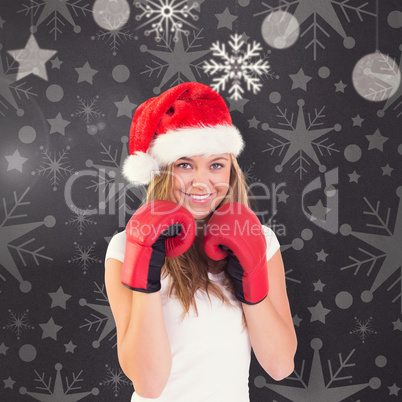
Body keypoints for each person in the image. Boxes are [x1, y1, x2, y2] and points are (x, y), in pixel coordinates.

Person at [104, 82, 297, 401]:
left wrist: (252, 282)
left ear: (230, 171)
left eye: (216, 165)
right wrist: (145, 271)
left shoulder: (260, 239)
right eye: (184, 164)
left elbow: (279, 365)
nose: (201, 181)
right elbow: (149, 385)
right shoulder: (126, 247)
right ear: (164, 170)